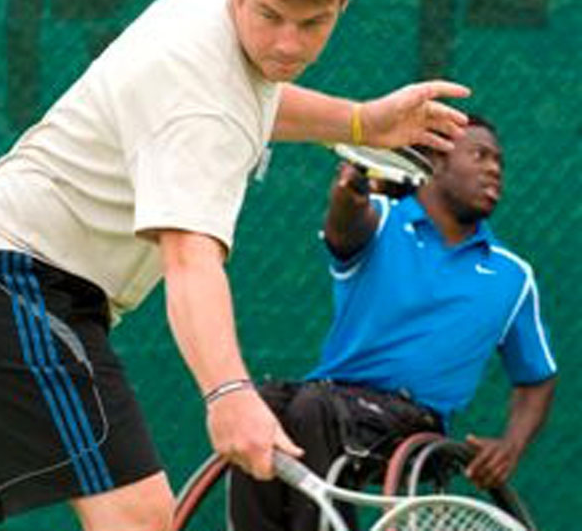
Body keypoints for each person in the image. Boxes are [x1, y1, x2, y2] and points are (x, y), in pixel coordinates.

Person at [0, 0, 470, 530]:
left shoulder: (214, 14)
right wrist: (228, 393)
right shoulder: (198, 100)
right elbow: (191, 258)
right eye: (272, 16)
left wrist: (362, 121)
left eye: (312, 24)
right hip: (15, 280)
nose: (286, 43)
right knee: (139, 518)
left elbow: (256, 97)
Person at [227, 114, 558, 531]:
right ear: (434, 163)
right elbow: (346, 223)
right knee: (256, 408)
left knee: (313, 409)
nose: (494, 168)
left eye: (499, 162)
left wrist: (511, 445)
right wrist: (349, 189)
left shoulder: (513, 276)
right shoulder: (382, 217)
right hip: (332, 397)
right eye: (480, 155)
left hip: (412, 418)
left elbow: (536, 379)